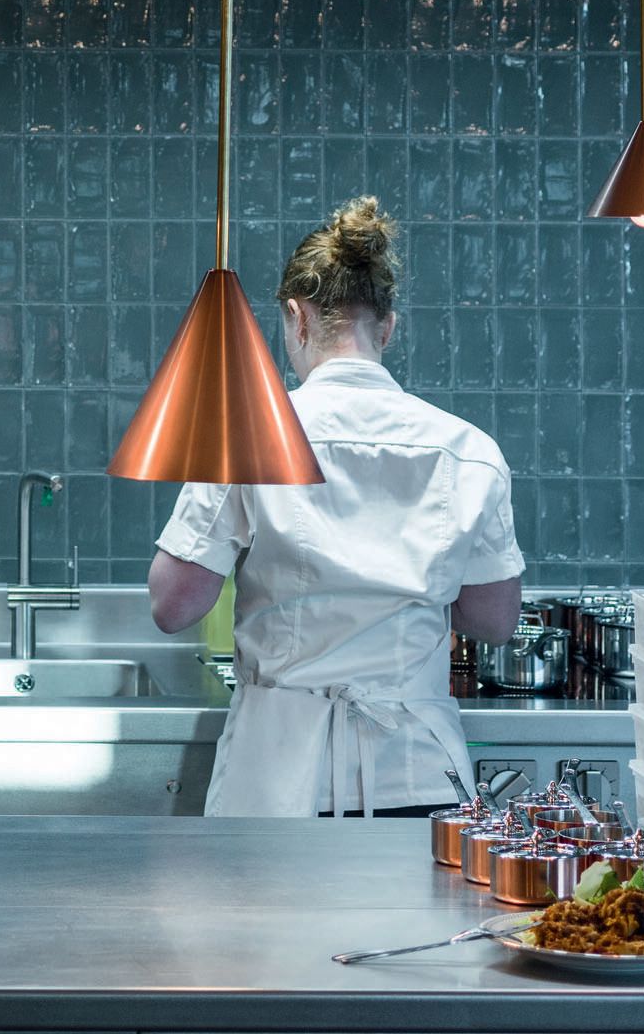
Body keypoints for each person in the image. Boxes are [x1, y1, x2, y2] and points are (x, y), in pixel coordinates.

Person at [147, 197, 524, 818]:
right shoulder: (468, 451)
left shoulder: (248, 435)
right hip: (417, 778)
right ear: (388, 327)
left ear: (296, 318)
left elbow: (172, 605)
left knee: (260, 922)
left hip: (279, 781)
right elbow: (493, 621)